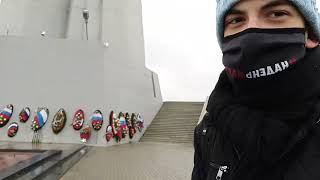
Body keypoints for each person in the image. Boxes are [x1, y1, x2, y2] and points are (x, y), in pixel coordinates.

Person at [192, 0, 320, 179]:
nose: (251, 29)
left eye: (276, 14)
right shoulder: (207, 131)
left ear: (311, 35)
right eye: (236, 20)